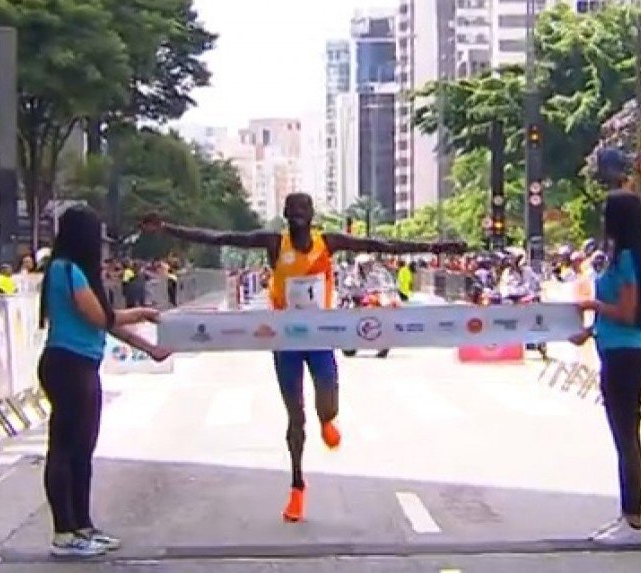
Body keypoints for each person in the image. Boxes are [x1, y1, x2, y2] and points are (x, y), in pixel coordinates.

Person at [142, 193, 466, 523]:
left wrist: (437, 248)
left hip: (320, 336)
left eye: (303, 210)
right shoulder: (273, 243)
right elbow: (220, 237)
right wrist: (168, 228)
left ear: (311, 215)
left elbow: (381, 244)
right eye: (291, 210)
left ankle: (327, 420)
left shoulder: (328, 242)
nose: (297, 215)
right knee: (295, 417)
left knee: (328, 406)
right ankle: (297, 487)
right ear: (284, 214)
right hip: (285, 339)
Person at [37, 206, 169, 558]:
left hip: (81, 363)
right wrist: (142, 313)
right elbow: (100, 317)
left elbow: (105, 324)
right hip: (69, 364)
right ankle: (64, 532)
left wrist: (150, 348)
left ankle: (82, 525)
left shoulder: (75, 272)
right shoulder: (67, 271)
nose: (103, 247)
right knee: (65, 449)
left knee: (82, 449)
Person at [573, 148, 641, 546]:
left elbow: (626, 311)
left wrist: (593, 306)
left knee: (626, 438)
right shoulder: (628, 256)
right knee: (624, 436)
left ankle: (634, 520)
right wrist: (591, 330)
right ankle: (628, 516)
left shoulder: (625, 258)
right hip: (621, 351)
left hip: (626, 356)